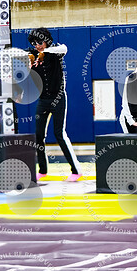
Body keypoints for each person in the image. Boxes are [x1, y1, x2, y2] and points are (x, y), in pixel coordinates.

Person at [27, 28, 81, 182]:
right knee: (38, 135)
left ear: (46, 41)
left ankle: (76, 170)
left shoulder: (56, 51)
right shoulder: (32, 54)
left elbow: (64, 48)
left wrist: (45, 51)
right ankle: (43, 170)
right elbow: (21, 56)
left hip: (58, 98)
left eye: (40, 42)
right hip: (43, 100)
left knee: (59, 134)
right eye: (34, 43)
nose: (37, 46)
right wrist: (29, 58)